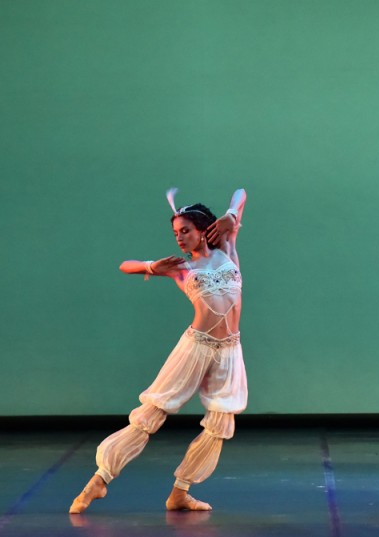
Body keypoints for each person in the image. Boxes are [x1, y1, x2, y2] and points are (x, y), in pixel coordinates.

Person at [70, 187, 247, 513]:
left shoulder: (228, 249)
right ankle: (100, 480)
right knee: (153, 412)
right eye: (176, 233)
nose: (179, 238)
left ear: (203, 229)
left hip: (229, 351)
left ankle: (180, 492)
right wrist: (151, 266)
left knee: (220, 423)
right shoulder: (180, 267)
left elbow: (240, 193)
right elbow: (125, 265)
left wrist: (231, 216)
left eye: (185, 231)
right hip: (196, 346)